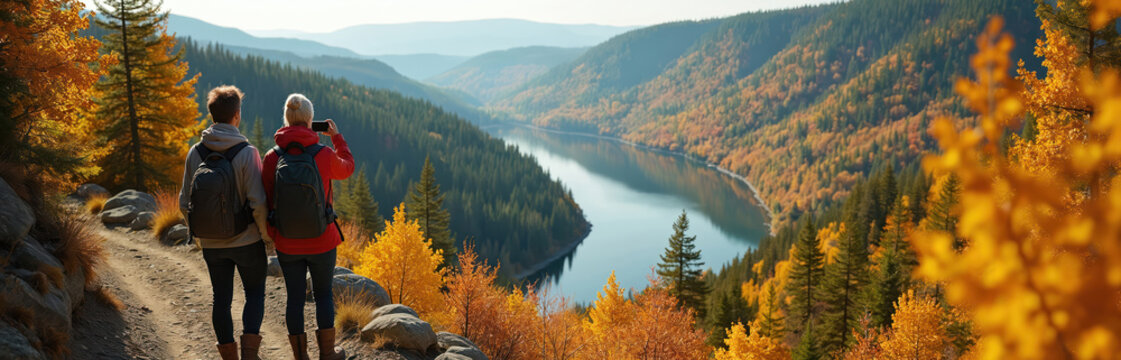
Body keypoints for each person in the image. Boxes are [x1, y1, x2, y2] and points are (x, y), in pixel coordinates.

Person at [179, 85, 271, 360]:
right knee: (254, 293)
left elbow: (185, 202)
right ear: (237, 116)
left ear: (212, 115)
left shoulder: (195, 152)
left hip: (211, 243)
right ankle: (250, 356)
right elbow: (258, 202)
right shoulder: (247, 152)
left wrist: (199, 232)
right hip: (247, 240)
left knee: (221, 299)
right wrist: (266, 236)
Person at [263, 93, 354, 360]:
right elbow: (348, 168)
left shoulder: (272, 157)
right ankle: (327, 353)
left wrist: (274, 234)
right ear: (311, 121)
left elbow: (267, 199)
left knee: (294, 298)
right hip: (322, 239)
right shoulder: (324, 154)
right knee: (323, 294)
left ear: (286, 120)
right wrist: (337, 139)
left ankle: (300, 356)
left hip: (287, 242)